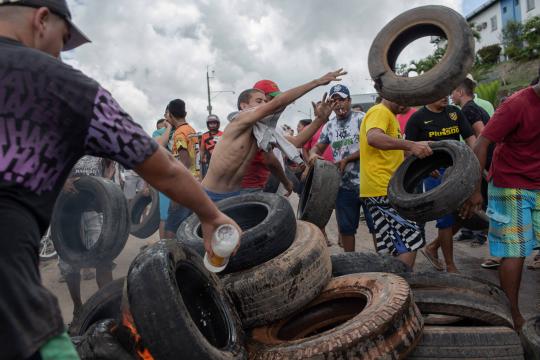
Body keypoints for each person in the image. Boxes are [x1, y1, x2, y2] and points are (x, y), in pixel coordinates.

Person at [0, 2, 240, 358]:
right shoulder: (66, 88)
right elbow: (163, 166)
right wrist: (211, 215)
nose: (60, 55)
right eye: (62, 40)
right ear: (41, 19)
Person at [461, 70, 540, 330]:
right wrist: (475, 189)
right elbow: (481, 144)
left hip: (538, 183)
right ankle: (513, 313)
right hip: (509, 185)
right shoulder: (516, 104)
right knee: (514, 250)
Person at [202, 70, 347, 202]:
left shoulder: (263, 130)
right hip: (219, 193)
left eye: (266, 101)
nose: (266, 105)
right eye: (261, 101)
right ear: (244, 106)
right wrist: (317, 82)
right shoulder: (240, 121)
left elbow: (295, 142)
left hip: (234, 195)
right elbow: (270, 159)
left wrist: (320, 119)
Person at [405, 97, 476, 273]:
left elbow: (470, 138)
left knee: (464, 213)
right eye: (440, 93)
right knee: (445, 219)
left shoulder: (455, 113)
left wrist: (474, 162)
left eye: (447, 92)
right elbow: (408, 150)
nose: (445, 96)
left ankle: (432, 247)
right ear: (429, 94)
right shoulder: (417, 118)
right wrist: (424, 169)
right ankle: (450, 265)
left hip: (458, 170)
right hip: (434, 174)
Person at [359, 97, 432, 268]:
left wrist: (424, 165)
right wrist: (411, 145)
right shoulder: (380, 111)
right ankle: (402, 287)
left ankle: (392, 285)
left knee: (392, 244)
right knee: (411, 240)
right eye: (400, 96)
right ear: (388, 94)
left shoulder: (390, 116)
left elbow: (395, 154)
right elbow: (374, 138)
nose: (405, 102)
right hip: (382, 188)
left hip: (381, 188)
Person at [57, 156, 114, 318]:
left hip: (94, 209)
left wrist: (107, 180)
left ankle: (108, 307)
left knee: (103, 258)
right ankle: (78, 309)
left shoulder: (98, 144)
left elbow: (108, 167)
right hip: (66, 211)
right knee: (70, 263)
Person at [308, 85, 362, 252]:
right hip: (343, 186)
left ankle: (378, 265)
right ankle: (350, 263)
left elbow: (372, 146)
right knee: (346, 229)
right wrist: (313, 155)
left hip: (368, 183)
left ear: (349, 101)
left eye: (342, 100)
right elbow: (317, 147)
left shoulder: (362, 119)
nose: (338, 104)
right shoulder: (329, 126)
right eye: (334, 101)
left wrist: (348, 158)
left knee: (376, 227)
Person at [451, 77, 492, 246]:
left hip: (482, 165)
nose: (450, 96)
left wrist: (474, 161)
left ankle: (437, 244)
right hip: (487, 163)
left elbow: (482, 134)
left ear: (460, 92)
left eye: (452, 92)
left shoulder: (467, 110)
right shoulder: (476, 108)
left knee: (474, 205)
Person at [163, 99, 198, 238]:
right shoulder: (191, 130)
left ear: (170, 115)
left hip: (184, 186)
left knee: (170, 229)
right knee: (187, 228)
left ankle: (171, 258)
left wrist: (175, 194)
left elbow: (185, 162)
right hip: (195, 183)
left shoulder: (179, 134)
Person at [152, 119, 173, 239]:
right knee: (165, 216)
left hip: (179, 178)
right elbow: (160, 145)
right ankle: (163, 245)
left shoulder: (180, 131)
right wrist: (168, 128)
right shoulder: (156, 134)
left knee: (178, 214)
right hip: (164, 178)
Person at [200, 114, 223, 179]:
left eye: (214, 123)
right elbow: (202, 149)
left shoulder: (222, 134)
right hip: (209, 160)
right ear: (208, 125)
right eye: (211, 123)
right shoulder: (204, 135)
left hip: (221, 159)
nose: (212, 125)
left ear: (218, 124)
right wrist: (201, 159)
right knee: (210, 177)